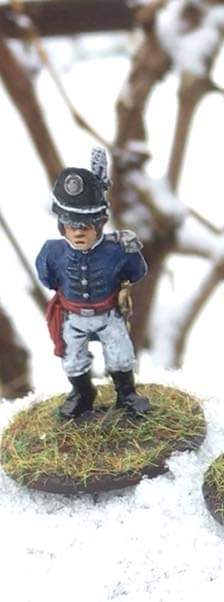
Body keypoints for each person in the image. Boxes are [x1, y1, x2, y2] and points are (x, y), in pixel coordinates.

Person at [36, 148, 150, 419]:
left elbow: (137, 272)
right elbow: (47, 278)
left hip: (109, 315)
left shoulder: (118, 249)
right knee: (72, 358)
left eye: (86, 225)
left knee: (121, 353)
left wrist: (131, 251)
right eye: (71, 224)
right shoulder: (52, 252)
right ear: (61, 225)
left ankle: (126, 394)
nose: (78, 231)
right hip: (73, 316)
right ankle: (82, 393)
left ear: (100, 223)